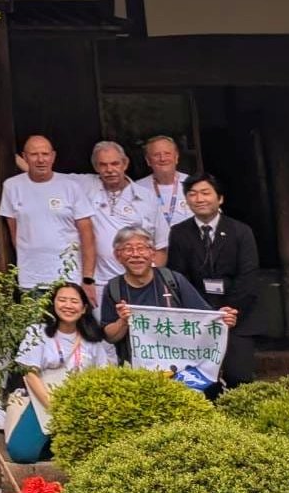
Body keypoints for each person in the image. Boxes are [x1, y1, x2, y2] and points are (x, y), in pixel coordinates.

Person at [165, 173, 259, 387]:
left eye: (205, 193)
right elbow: (178, 278)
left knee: (239, 376)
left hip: (236, 316)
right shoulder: (179, 233)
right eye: (192, 194)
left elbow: (248, 276)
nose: (199, 199)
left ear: (220, 198)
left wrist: (229, 311)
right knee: (199, 381)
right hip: (198, 318)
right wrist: (204, 313)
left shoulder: (241, 231)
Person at [7, 281, 118, 463]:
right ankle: (50, 446)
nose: (68, 305)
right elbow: (30, 373)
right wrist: (54, 406)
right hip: (44, 399)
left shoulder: (93, 339)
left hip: (81, 404)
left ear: (84, 308)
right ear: (53, 304)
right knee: (21, 453)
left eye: (74, 301)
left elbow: (103, 376)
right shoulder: (37, 332)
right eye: (62, 300)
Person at [100, 225, 236, 362]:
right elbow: (110, 337)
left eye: (141, 248)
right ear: (117, 256)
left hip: (178, 362)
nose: (136, 254)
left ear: (152, 253)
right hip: (135, 367)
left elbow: (204, 317)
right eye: (128, 249)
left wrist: (222, 318)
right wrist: (123, 321)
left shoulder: (173, 280)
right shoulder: (114, 288)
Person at [67, 141, 171, 305]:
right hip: (98, 284)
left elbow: (161, 246)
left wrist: (148, 278)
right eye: (103, 165)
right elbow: (48, 176)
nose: (110, 170)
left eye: (115, 163)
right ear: (96, 167)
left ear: (125, 163)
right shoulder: (84, 185)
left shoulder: (147, 198)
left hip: (137, 284)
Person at [0, 135, 97, 298]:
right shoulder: (11, 186)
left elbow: (88, 236)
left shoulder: (71, 187)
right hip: (30, 279)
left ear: (53, 156)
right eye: (34, 154)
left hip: (69, 277)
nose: (40, 160)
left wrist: (88, 278)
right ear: (25, 157)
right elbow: (14, 233)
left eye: (45, 154)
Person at [136, 135, 193, 227]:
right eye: (156, 155)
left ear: (176, 157)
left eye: (167, 153)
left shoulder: (193, 184)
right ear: (148, 161)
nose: (162, 158)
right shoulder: (137, 189)